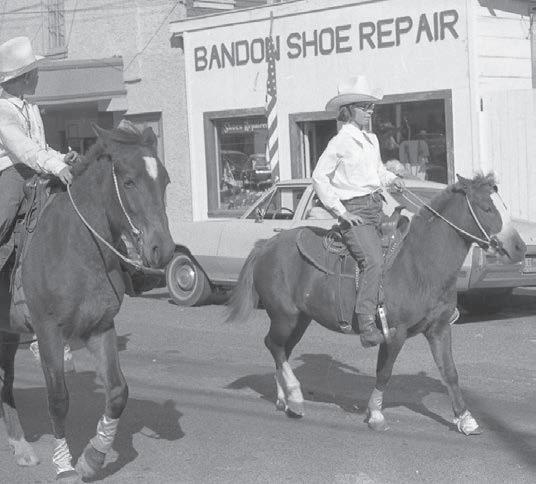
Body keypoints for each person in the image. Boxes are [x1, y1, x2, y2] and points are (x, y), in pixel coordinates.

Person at [312, 76, 404, 348]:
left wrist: (392, 179)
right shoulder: (339, 141)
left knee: (402, 245)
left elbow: (378, 172)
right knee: (373, 261)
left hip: (377, 205)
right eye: (364, 107)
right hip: (356, 211)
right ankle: (366, 323)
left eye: (371, 107)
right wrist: (341, 212)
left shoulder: (371, 139)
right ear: (349, 110)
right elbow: (319, 177)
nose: (370, 111)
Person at [0, 37, 74, 365]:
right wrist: (55, 166)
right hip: (11, 173)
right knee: (5, 217)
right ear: (25, 76)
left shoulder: (30, 108)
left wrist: (63, 159)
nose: (39, 75)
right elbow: (24, 150)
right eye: (36, 71)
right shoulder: (3, 110)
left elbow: (40, 147)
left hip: (35, 170)